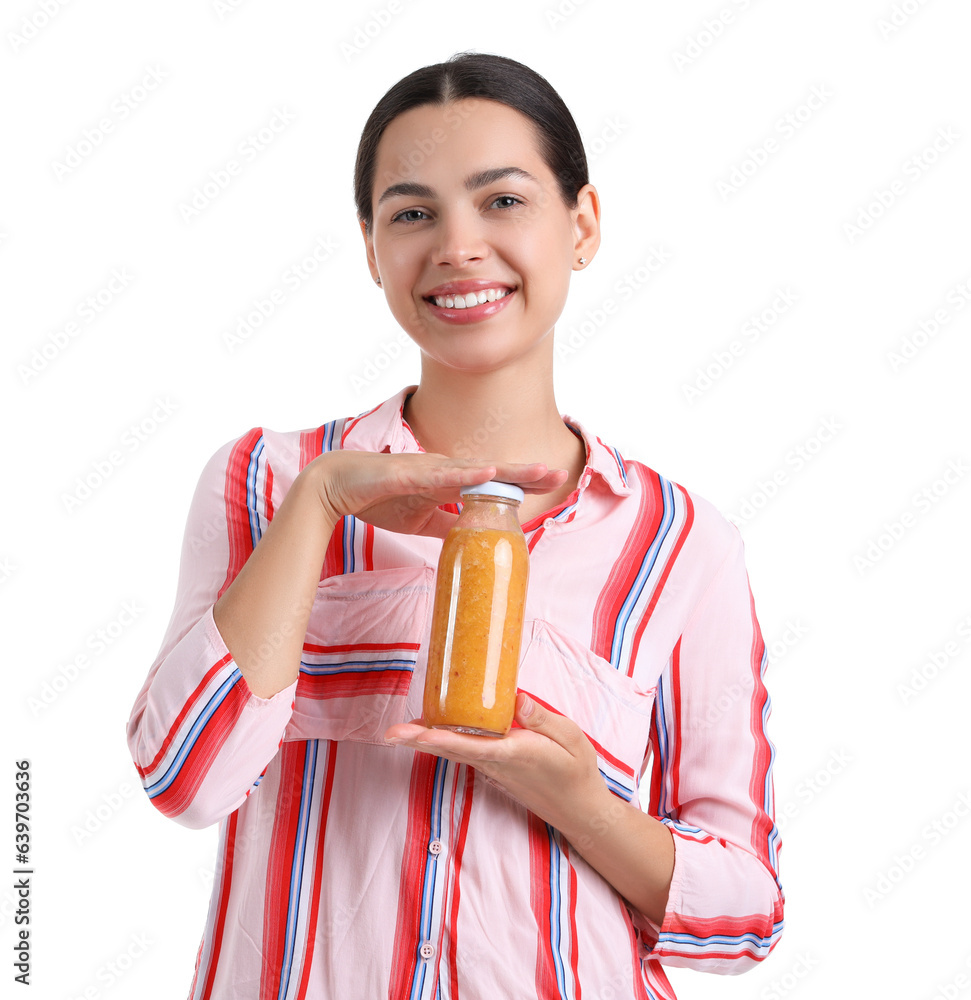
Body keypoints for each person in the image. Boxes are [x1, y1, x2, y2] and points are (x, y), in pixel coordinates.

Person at [127, 51, 784, 1000]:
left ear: (582, 224)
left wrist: (575, 802)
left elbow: (746, 913)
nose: (458, 246)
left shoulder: (682, 545)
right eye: (411, 213)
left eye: (503, 201)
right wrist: (322, 506)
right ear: (369, 247)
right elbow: (184, 779)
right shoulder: (269, 481)